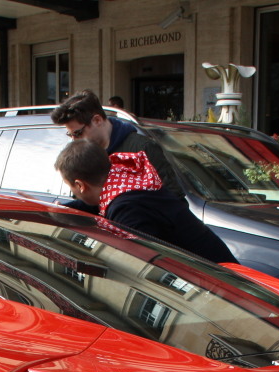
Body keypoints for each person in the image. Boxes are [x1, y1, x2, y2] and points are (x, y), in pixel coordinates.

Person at [54, 139, 235, 264]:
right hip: (220, 264)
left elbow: (143, 262)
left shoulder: (126, 209)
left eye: (71, 187)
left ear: (80, 185)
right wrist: (55, 210)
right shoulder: (124, 179)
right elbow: (91, 204)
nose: (74, 193)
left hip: (216, 281)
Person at [51, 90, 182, 198]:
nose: (74, 140)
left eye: (78, 133)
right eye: (70, 135)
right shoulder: (81, 155)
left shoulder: (142, 149)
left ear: (97, 120)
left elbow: (174, 199)